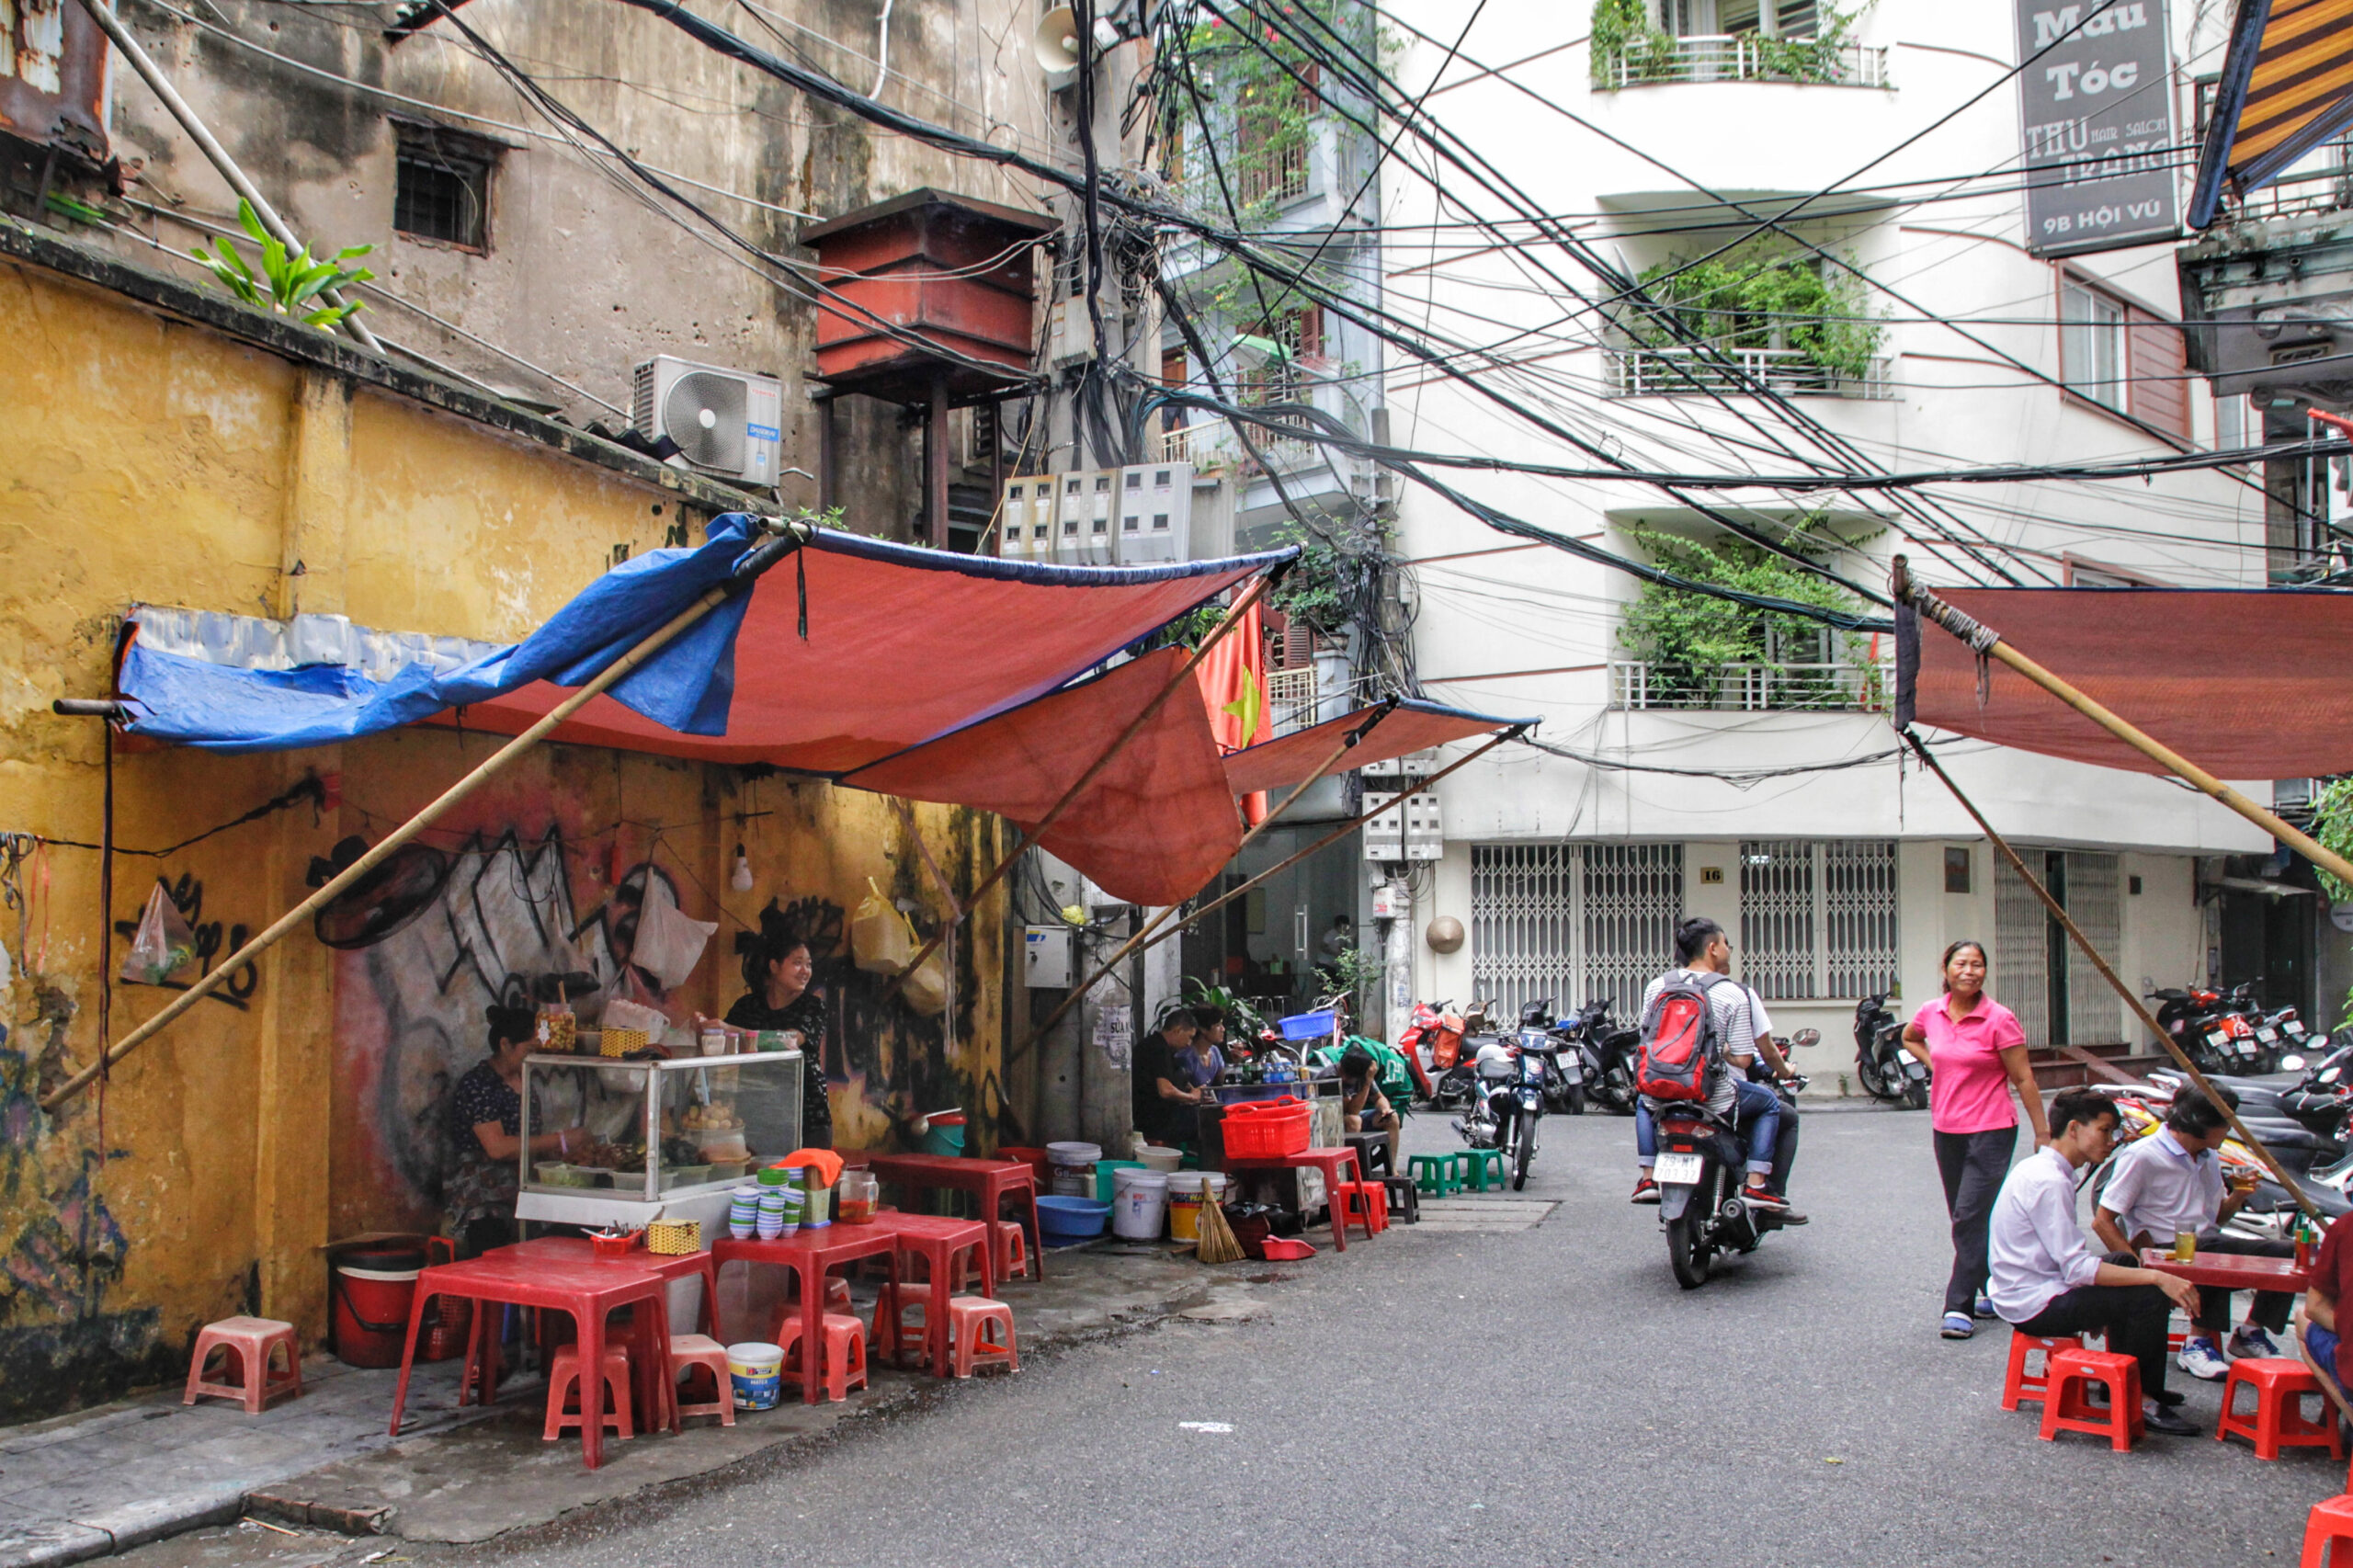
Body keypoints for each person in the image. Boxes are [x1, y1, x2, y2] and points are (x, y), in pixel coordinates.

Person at [1988, 1086, 2203, 1436]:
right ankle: (2143, 1399)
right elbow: (2076, 1268)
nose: (2111, 1141)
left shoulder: (2041, 1168)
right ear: (2074, 1129)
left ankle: (2123, 1382)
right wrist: (2159, 1278)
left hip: (2031, 1287)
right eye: (2104, 1131)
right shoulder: (2048, 1180)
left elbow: (2071, 1263)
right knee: (2148, 1293)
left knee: (2124, 1263)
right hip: (2033, 1303)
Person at [1902, 937, 2052, 1341]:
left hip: (1992, 1128)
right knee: (1965, 1217)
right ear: (1946, 968)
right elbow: (1910, 1036)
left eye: (1977, 965)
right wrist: (1935, 1064)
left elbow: (2024, 1079)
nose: (1969, 972)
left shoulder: (2000, 1019)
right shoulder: (1931, 1012)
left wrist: (2043, 1133)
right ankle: (1993, 1287)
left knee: (1969, 1215)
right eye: (1961, 964)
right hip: (1947, 1128)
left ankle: (1958, 1305)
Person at [2093, 1085, 2289, 1379]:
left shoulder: (2208, 1157)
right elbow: (2102, 1220)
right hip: (2164, 1251)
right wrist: (2136, 1270)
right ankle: (2197, 1343)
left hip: (2206, 1243)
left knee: (2285, 1253)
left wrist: (2237, 1197)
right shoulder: (2143, 1156)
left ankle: (2250, 1332)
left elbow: (2214, 1219)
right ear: (2201, 1123)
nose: (2230, 1129)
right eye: (2226, 1122)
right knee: (2211, 1250)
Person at [1629, 916, 1805, 1222]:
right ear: (1712, 948)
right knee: (1770, 1106)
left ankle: (1647, 1176)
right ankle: (1756, 1185)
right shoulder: (1733, 993)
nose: (1728, 950)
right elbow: (1744, 1060)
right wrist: (1716, 1050)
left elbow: (1647, 1037)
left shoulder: (1657, 986)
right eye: (1725, 944)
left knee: (1645, 1101)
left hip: (1662, 1091)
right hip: (1714, 1096)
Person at [446, 1005, 585, 1257]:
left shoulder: (525, 1081)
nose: (533, 1058)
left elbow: (531, 1141)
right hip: (483, 1191)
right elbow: (497, 1148)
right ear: (505, 1044)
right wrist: (561, 1140)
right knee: (493, 1241)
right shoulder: (478, 1084)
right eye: (529, 1050)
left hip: (522, 1182)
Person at [713, 925, 834, 1150]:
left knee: (805, 1184)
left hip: (807, 1119)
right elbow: (726, 1044)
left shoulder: (812, 1007)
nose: (805, 971)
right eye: (797, 963)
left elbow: (789, 1041)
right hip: (755, 1118)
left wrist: (728, 1027)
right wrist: (707, 1028)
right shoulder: (748, 1007)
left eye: (808, 964)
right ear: (774, 966)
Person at [1133, 1000, 1219, 1148]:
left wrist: (1192, 1093)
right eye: (1189, 1037)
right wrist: (1192, 1097)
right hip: (1154, 1122)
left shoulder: (1163, 1048)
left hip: (1161, 1116)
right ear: (1178, 1030)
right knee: (1207, 1121)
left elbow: (1177, 1079)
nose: (1189, 1043)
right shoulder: (1157, 1049)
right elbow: (1165, 1091)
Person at [1338, 1045, 1401, 1166]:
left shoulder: (1361, 1075)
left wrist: (1385, 1110)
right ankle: (1354, 1169)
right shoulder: (1333, 1076)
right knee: (1354, 1120)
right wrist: (1367, 1083)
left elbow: (1379, 1098)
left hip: (1357, 1118)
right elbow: (1352, 1111)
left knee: (1392, 1118)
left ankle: (1392, 1168)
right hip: (1338, 1121)